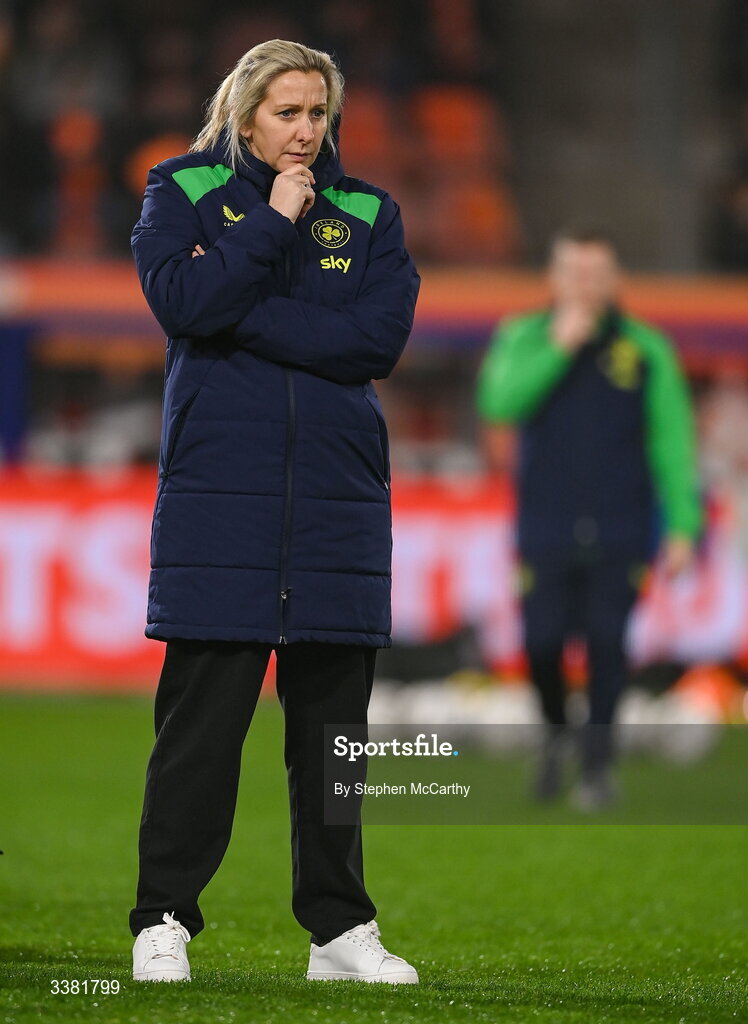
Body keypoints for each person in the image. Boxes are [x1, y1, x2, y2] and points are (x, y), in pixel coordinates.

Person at [128, 39, 420, 984]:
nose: (305, 131)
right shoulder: (178, 189)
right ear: (246, 112)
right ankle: (164, 919)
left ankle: (338, 931)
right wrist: (267, 228)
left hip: (337, 508)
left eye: (318, 113)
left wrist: (236, 309)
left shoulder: (372, 210)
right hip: (223, 507)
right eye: (287, 111)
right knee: (200, 736)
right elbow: (181, 299)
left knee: (334, 745)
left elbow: (373, 342)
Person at [475, 228, 702, 809]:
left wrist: (682, 525)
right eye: (574, 273)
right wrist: (559, 346)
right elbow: (499, 403)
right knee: (543, 643)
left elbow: (672, 442)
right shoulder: (524, 335)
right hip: (546, 526)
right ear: (554, 279)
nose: (585, 285)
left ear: (612, 279)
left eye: (596, 274)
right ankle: (555, 737)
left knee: (607, 645)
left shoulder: (646, 349)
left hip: (622, 525)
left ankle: (598, 766)